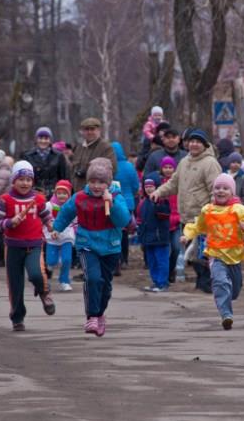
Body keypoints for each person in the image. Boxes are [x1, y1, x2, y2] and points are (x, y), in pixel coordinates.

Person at [52, 158, 130, 337]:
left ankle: (100, 313)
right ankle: (92, 316)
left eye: (101, 182)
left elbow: (123, 221)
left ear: (108, 183)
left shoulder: (116, 197)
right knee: (93, 279)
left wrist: (112, 203)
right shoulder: (80, 197)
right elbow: (66, 212)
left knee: (105, 285)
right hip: (87, 244)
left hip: (110, 246)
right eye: (93, 181)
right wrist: (57, 228)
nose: (96, 186)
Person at [181, 173, 244, 330]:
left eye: (225, 188)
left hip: (235, 256)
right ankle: (226, 315)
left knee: (234, 291)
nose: (221, 191)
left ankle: (228, 300)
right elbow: (198, 226)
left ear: (232, 192)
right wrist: (187, 235)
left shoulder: (238, 209)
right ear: (212, 191)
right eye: (217, 188)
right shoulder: (207, 210)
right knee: (220, 282)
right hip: (215, 254)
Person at [151, 129, 222, 293]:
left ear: (204, 145)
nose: (194, 144)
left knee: (204, 251)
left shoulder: (210, 163)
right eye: (192, 141)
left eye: (198, 142)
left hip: (202, 217)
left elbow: (216, 190)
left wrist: (213, 212)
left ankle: (208, 284)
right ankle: (202, 281)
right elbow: (173, 184)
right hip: (187, 217)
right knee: (193, 252)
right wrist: (158, 192)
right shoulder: (184, 162)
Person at [0, 161, 56, 332]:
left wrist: (51, 226)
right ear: (14, 180)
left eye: (28, 179)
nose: (25, 183)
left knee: (36, 273)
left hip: (34, 244)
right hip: (13, 247)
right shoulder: (5, 200)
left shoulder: (38, 199)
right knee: (15, 285)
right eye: (21, 179)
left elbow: (46, 216)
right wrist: (9, 222)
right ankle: (17, 317)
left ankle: (44, 291)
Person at [137, 175, 172, 292]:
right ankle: (155, 281)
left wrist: (158, 205)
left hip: (160, 237)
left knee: (161, 261)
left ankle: (163, 283)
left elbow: (165, 215)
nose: (149, 189)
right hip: (148, 238)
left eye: (151, 186)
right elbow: (140, 220)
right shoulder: (143, 202)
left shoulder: (162, 200)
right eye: (146, 186)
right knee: (152, 261)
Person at [112, 141, 140, 271]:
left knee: (115, 231)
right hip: (128, 203)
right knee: (124, 233)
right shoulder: (129, 166)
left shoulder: (110, 167)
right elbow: (136, 186)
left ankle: (116, 259)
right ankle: (124, 259)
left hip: (114, 202)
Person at [21, 127, 70, 199]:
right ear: (36, 139)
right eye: (40, 138)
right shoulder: (28, 156)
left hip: (54, 194)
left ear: (50, 140)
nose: (43, 141)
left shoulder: (59, 155)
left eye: (46, 138)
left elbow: (64, 177)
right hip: (34, 193)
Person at [44, 180, 76, 292]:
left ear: (69, 194)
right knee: (51, 261)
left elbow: (76, 221)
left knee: (67, 260)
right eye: (59, 193)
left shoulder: (71, 206)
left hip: (67, 236)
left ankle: (64, 281)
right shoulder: (49, 205)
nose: (62, 195)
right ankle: (50, 266)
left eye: (65, 193)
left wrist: (76, 232)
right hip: (51, 238)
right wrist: (46, 229)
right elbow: (42, 217)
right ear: (55, 193)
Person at [71, 118, 116, 192]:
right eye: (86, 129)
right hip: (78, 193)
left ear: (99, 130)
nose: (89, 132)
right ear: (82, 131)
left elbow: (112, 169)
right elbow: (72, 170)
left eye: (92, 129)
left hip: (97, 193)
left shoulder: (106, 147)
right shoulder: (79, 148)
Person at [158, 157, 182, 283]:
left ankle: (171, 269)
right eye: (165, 167)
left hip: (177, 220)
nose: (168, 170)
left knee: (176, 248)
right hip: (163, 221)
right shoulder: (160, 183)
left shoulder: (178, 183)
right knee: (164, 249)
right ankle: (165, 272)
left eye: (170, 167)